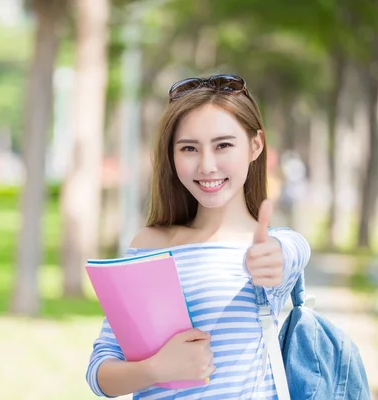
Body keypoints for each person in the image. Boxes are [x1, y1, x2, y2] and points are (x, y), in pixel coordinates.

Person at [85, 74, 311, 399]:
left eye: (223, 145)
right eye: (189, 148)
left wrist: (273, 256)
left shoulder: (268, 247)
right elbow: (99, 371)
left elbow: (291, 252)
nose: (206, 165)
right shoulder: (149, 245)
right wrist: (157, 369)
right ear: (172, 156)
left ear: (255, 145)